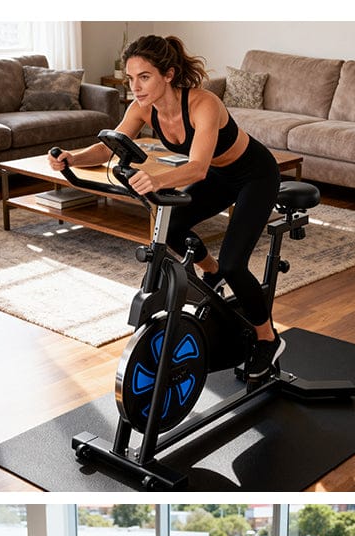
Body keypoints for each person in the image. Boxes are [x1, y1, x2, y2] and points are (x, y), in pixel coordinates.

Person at [49, 35, 284, 381]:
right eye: (131, 79)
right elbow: (108, 147)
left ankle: (268, 338)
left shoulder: (203, 104)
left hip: (255, 176)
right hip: (220, 175)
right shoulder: (143, 108)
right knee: (173, 227)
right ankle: (211, 270)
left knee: (237, 264)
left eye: (144, 77)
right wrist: (73, 157)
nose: (136, 87)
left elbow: (198, 167)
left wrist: (157, 180)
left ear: (169, 74)